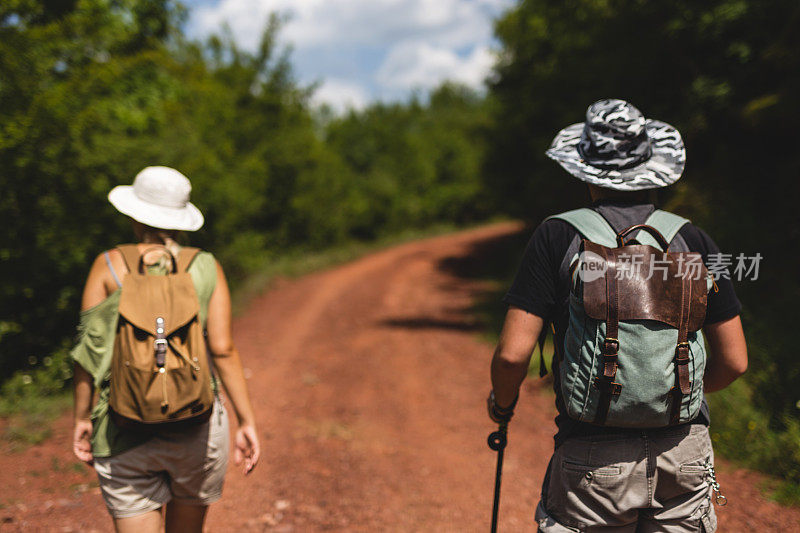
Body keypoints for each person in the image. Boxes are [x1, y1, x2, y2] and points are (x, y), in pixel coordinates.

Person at [487, 99, 748, 532]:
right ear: (652, 170)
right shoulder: (694, 239)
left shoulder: (558, 236)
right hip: (685, 454)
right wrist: (669, 399)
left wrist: (502, 407)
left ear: (586, 173)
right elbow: (736, 361)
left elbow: (513, 356)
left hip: (592, 459)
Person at [71, 166, 260, 533]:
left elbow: (89, 352)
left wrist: (81, 417)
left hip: (122, 428)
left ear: (133, 213)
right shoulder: (205, 266)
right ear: (180, 218)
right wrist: (246, 420)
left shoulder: (107, 265)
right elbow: (222, 350)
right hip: (198, 429)